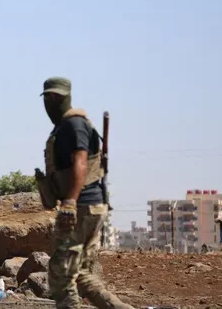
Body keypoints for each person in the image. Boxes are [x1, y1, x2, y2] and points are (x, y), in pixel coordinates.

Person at [41, 77, 134, 309]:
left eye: (54, 97)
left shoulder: (74, 125)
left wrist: (70, 202)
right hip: (87, 205)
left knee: (61, 273)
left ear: (62, 98)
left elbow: (80, 162)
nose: (50, 102)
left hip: (81, 206)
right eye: (48, 97)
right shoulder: (65, 126)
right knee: (79, 272)